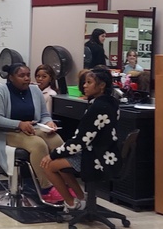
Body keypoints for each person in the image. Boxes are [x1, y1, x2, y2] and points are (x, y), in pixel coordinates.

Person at [39, 67, 120, 211]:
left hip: (95, 156)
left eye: (89, 82)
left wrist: (53, 154)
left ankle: (71, 203)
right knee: (61, 165)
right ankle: (81, 199)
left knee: (48, 165)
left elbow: (80, 142)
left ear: (101, 86)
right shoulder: (111, 102)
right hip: (107, 150)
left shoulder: (97, 107)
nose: (84, 86)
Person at [0, 63, 66, 205]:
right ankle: (46, 188)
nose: (27, 79)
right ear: (11, 78)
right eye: (21, 75)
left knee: (57, 141)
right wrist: (19, 124)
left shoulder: (35, 91)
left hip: (33, 128)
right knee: (38, 144)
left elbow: (44, 115)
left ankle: (62, 183)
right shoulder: (0, 91)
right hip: (7, 131)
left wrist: (49, 123)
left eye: (28, 75)